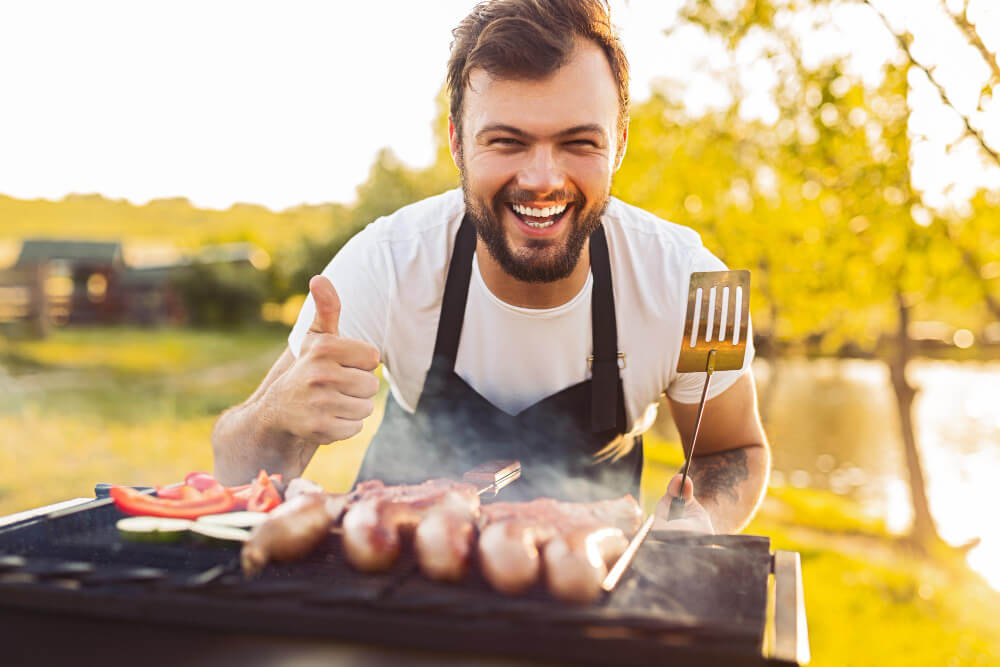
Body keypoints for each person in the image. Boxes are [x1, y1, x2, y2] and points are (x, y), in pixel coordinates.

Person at [212, 0, 769, 534]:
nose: (542, 179)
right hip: (392, 567)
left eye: (579, 142)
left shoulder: (693, 282)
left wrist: (705, 519)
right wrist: (276, 416)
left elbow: (733, 448)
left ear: (619, 144)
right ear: (457, 143)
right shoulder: (384, 262)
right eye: (507, 141)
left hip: (587, 580)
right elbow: (236, 471)